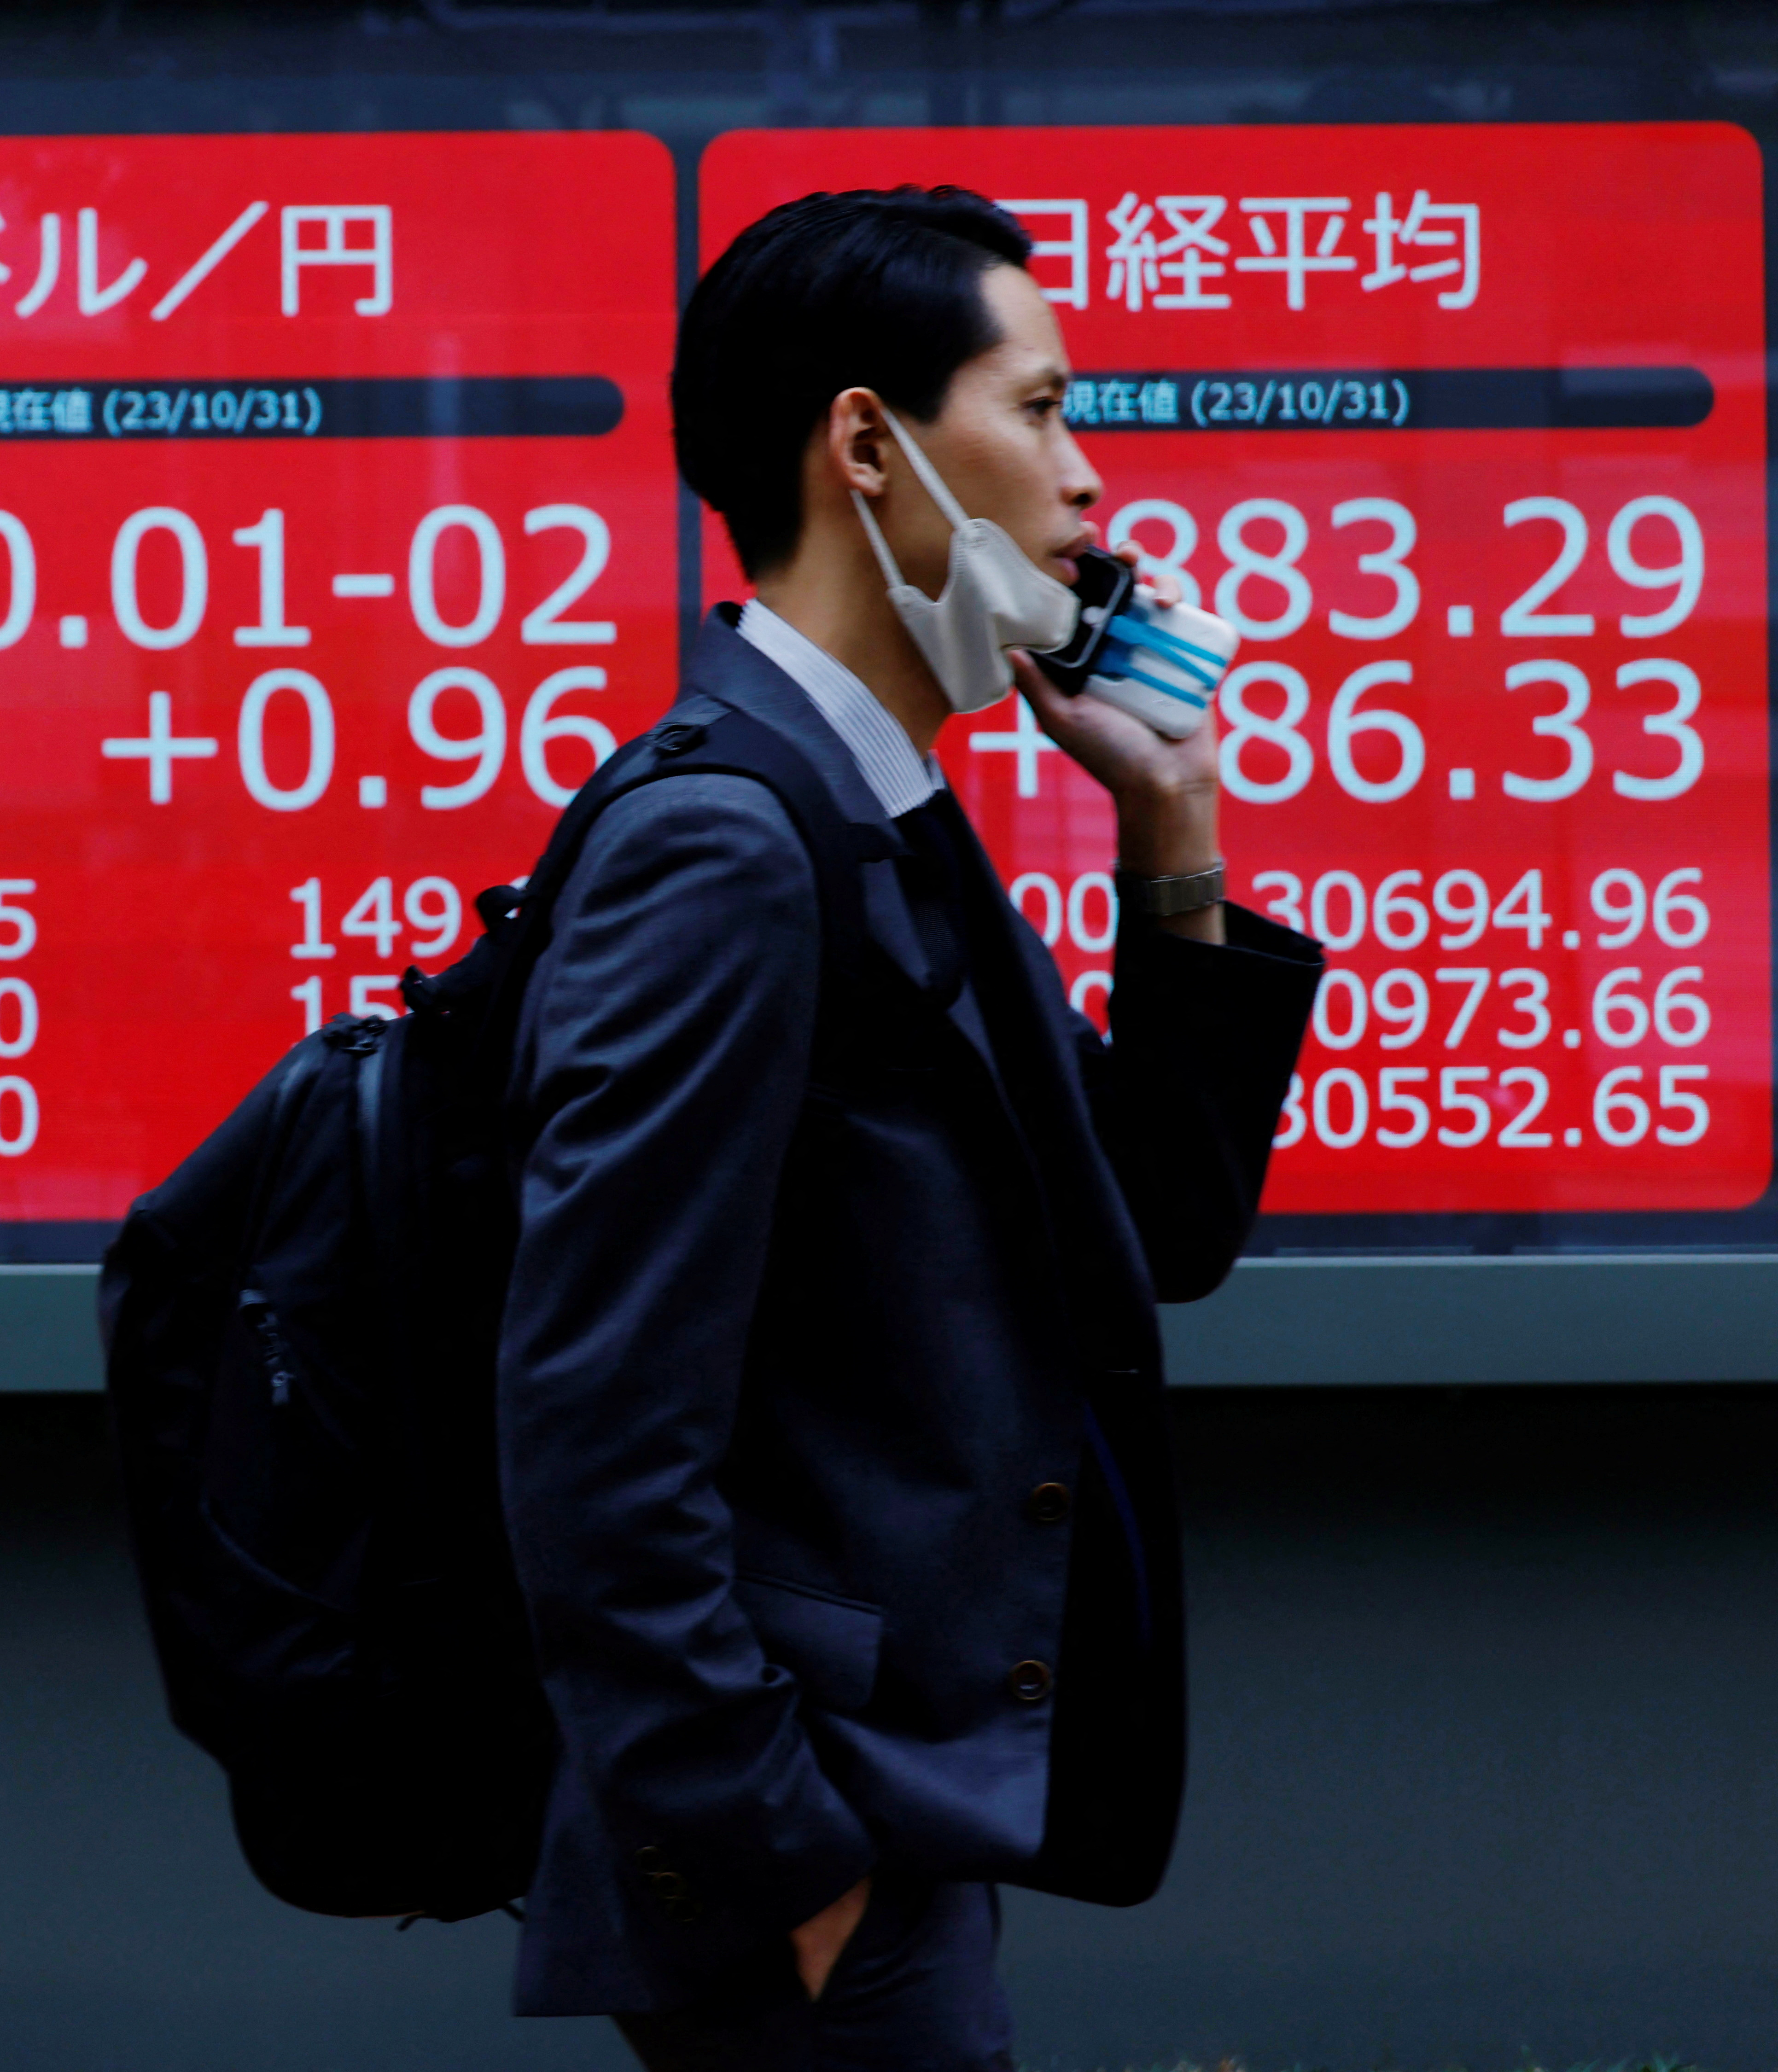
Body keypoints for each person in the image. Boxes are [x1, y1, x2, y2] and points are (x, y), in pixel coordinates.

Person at [494, 186, 1323, 2069]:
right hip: (807, 1850)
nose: (1089, 478)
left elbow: (1158, 1232)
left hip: (890, 1813)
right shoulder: (728, 842)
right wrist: (783, 1860)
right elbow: (593, 1425)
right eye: (1037, 410)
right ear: (868, 442)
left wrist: (1172, 832)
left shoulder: (878, 814)